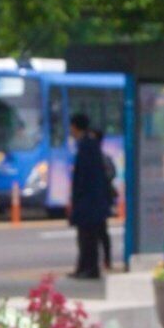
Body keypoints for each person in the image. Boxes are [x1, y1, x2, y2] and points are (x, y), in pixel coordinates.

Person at [66, 116, 115, 281]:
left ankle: (90, 268)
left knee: (89, 237)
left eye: (71, 127)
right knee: (84, 236)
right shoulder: (87, 144)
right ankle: (83, 267)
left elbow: (85, 178)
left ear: (75, 127)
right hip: (90, 201)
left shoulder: (87, 146)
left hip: (89, 201)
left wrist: (77, 198)